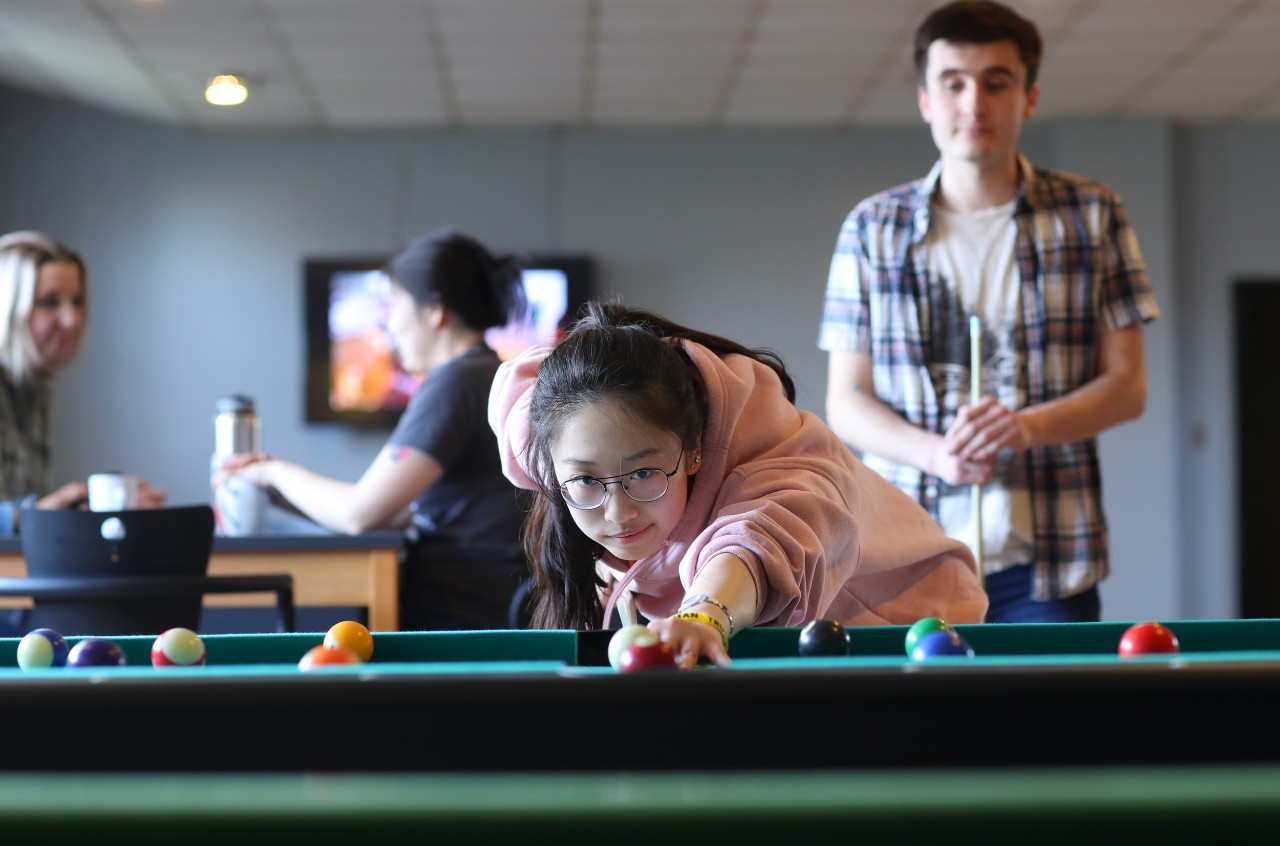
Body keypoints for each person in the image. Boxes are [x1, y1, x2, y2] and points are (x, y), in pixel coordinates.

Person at [817, 0, 1161, 623]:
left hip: (1048, 565)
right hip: (902, 558)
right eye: (953, 83)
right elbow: (846, 400)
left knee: (1043, 724)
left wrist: (1026, 427)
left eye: (996, 82)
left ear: (1029, 98)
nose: (974, 103)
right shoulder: (872, 228)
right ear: (926, 100)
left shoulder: (1093, 213)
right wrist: (933, 453)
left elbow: (1127, 388)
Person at [489, 300, 987, 669]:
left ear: (694, 451)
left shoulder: (778, 451)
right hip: (756, 638)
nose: (617, 513)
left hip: (909, 629)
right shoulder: (547, 436)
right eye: (585, 480)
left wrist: (702, 616)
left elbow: (760, 537)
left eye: (643, 473)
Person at [218, 228, 531, 630]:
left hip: (459, 609)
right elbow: (397, 510)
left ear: (435, 310)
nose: (389, 325)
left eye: (394, 304)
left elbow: (360, 513)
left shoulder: (456, 381)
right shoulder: (486, 373)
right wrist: (277, 492)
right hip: (489, 599)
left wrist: (273, 471)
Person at [0, 231, 165, 535]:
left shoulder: (37, 389)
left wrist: (83, 508)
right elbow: (27, 516)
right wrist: (30, 515)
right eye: (49, 302)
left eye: (77, 301)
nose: (73, 319)